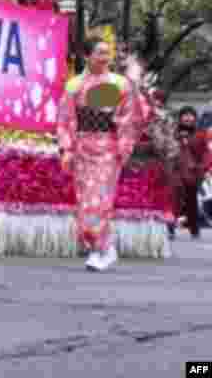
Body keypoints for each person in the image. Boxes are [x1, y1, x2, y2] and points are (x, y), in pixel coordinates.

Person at [56, 39, 149, 272]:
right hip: (82, 147)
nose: (105, 57)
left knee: (101, 199)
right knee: (85, 199)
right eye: (99, 53)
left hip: (108, 148)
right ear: (87, 56)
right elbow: (65, 119)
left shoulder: (119, 84)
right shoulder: (74, 85)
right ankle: (104, 247)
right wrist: (66, 149)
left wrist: (124, 145)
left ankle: (100, 249)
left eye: (107, 53)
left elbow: (132, 116)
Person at [167, 107, 211, 240]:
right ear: (180, 118)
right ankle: (170, 227)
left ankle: (194, 227)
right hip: (175, 171)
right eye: (185, 115)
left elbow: (206, 153)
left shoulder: (200, 134)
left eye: (190, 115)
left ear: (195, 118)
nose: (188, 118)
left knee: (191, 201)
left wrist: (202, 167)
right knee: (174, 200)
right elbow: (166, 149)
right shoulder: (172, 133)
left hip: (193, 172)